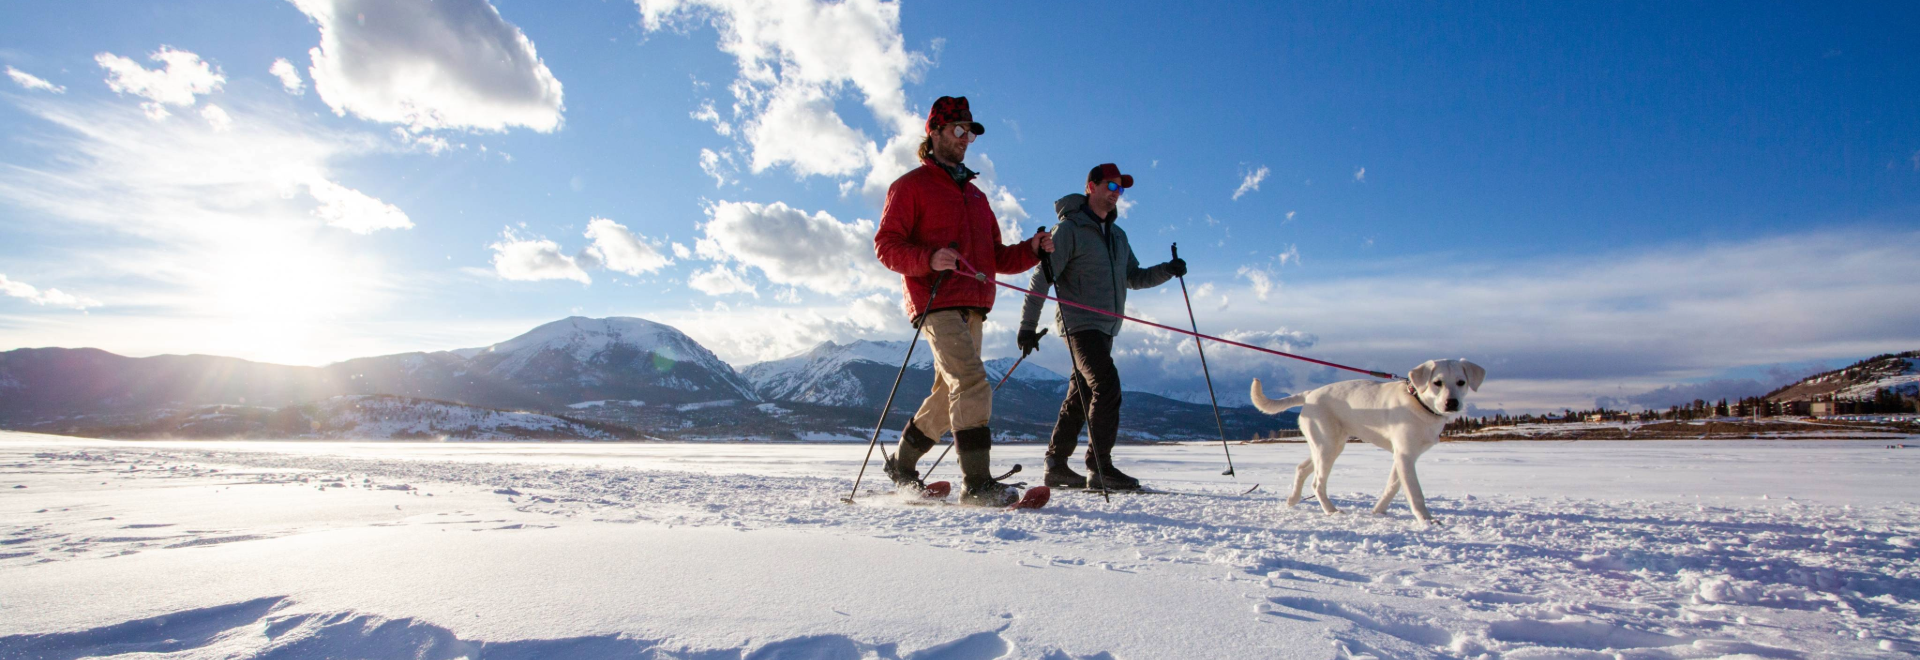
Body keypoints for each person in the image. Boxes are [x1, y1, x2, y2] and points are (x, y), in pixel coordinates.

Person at [873, 95, 1054, 506]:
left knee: (947, 393)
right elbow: (886, 246)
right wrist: (928, 258)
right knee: (971, 382)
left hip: (975, 304)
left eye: (970, 131)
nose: (966, 138)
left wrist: (1033, 249)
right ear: (934, 132)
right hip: (934, 300)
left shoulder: (977, 197)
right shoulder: (909, 186)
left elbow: (998, 258)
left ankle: (901, 466)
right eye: (958, 129)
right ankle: (977, 485)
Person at [1017, 163, 1186, 490]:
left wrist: (1168, 269)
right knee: (1106, 385)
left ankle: (1056, 464)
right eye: (1110, 186)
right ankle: (1100, 467)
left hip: (1107, 328)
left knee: (1081, 394)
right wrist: (1027, 326)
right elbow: (1042, 278)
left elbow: (1133, 278)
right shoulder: (1068, 230)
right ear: (1090, 187)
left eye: (1120, 190)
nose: (1115, 194)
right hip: (1079, 326)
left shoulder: (1118, 236)